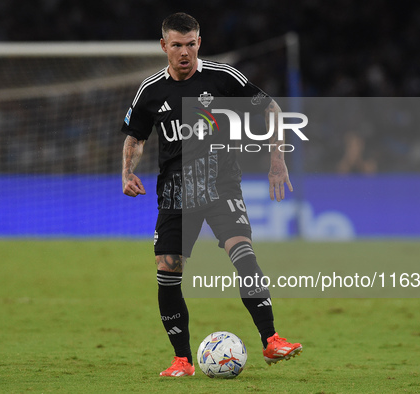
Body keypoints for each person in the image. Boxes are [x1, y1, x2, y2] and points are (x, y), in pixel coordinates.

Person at [121, 12, 302, 377]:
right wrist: (126, 172)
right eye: (177, 46)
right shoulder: (151, 90)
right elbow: (136, 138)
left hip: (221, 186)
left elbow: (271, 108)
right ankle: (183, 360)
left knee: (243, 254)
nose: (184, 52)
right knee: (167, 271)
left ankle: (272, 339)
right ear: (164, 47)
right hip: (176, 193)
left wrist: (277, 160)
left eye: (190, 44)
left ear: (198, 43)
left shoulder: (222, 78)